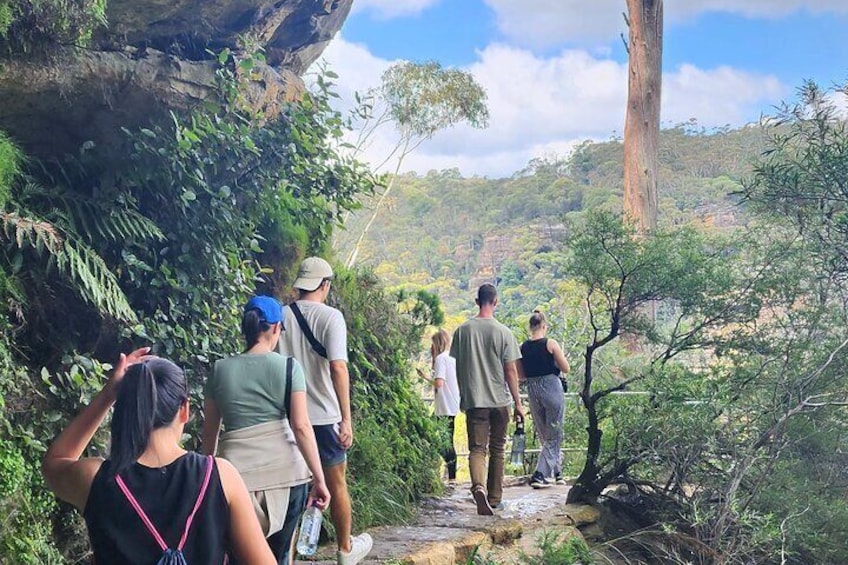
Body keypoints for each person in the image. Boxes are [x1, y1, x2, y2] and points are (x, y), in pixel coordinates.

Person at [42, 348, 276, 564]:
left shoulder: (95, 479)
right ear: (184, 409)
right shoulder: (221, 477)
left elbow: (55, 462)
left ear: (125, 408)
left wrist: (107, 395)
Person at [202, 296, 330, 565]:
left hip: (234, 477)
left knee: (237, 556)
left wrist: (205, 479)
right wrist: (319, 479)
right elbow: (301, 427)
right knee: (278, 556)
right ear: (275, 328)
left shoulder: (218, 370)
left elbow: (210, 436)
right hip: (286, 475)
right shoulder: (288, 367)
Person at [277, 257, 373, 565]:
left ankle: (287, 556)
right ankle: (345, 550)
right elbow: (338, 367)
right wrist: (347, 418)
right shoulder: (332, 317)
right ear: (325, 285)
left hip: (290, 418)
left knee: (294, 492)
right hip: (324, 418)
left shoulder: (281, 315)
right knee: (336, 484)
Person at [450, 283, 526, 515]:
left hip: (475, 400)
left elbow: (457, 365)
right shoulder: (504, 332)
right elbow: (510, 371)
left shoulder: (462, 331)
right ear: (496, 301)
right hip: (500, 400)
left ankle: (478, 488)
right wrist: (518, 403)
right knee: (498, 448)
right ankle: (494, 498)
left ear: (477, 301)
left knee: (477, 448)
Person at [519, 310, 571, 489]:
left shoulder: (523, 347)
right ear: (544, 326)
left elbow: (520, 374)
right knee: (554, 433)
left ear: (530, 326)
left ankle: (557, 473)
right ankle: (540, 474)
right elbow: (566, 367)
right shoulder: (551, 344)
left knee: (544, 434)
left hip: (533, 390)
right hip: (552, 387)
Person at [428, 329, 460, 484]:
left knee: (442, 442)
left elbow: (439, 383)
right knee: (446, 439)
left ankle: (452, 477)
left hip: (444, 406)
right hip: (452, 404)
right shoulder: (453, 358)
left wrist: (427, 378)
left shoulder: (441, 359)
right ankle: (451, 476)